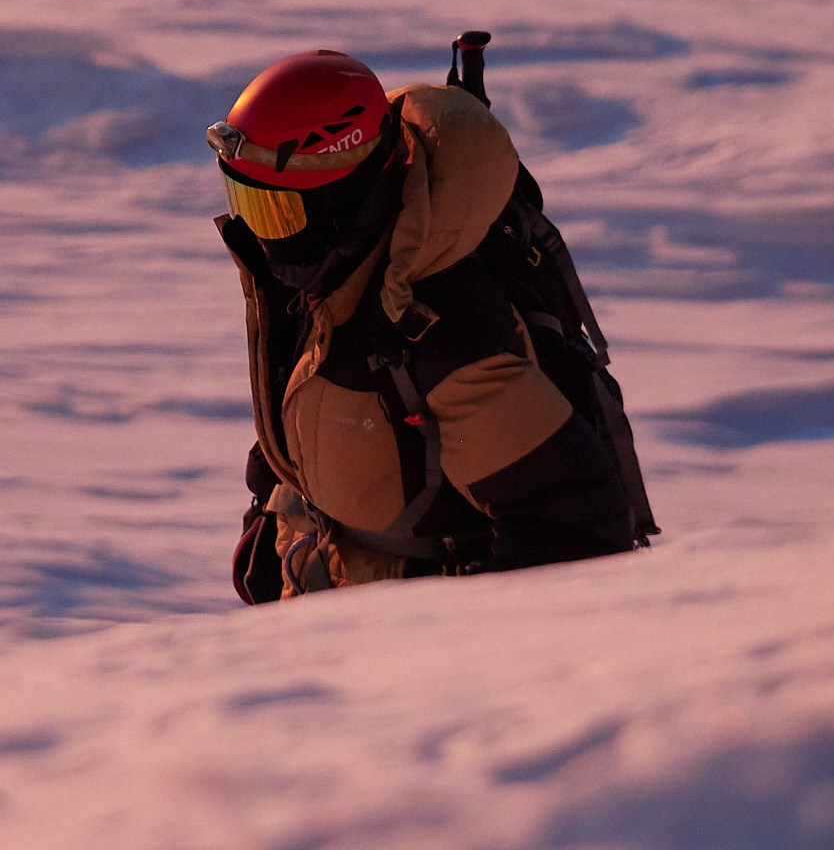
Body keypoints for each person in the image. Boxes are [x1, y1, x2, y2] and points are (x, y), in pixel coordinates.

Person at [211, 48, 653, 600]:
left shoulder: (448, 337)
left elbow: (577, 529)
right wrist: (272, 516)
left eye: (277, 212)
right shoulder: (334, 280)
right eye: (246, 204)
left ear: (339, 197)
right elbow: (316, 410)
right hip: (343, 625)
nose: (260, 235)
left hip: (425, 657)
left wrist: (449, 636)